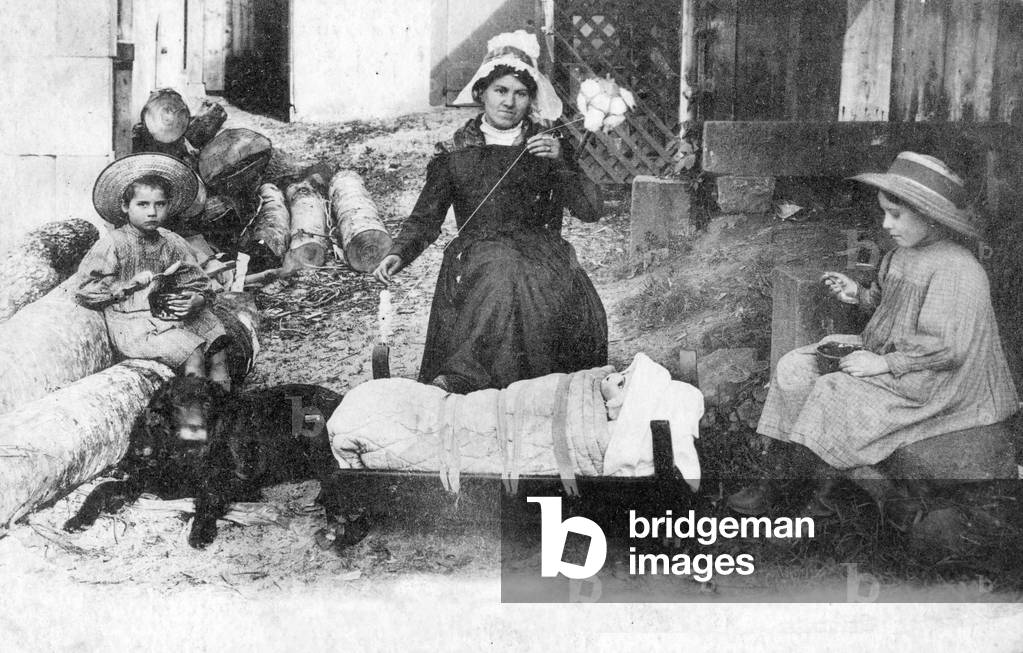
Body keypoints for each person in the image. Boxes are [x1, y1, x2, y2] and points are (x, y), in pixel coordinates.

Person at [728, 152, 1019, 520]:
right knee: (794, 366)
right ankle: (779, 479)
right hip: (898, 359)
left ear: (929, 216)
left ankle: (820, 501)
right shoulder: (901, 255)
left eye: (895, 215)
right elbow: (887, 304)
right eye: (885, 212)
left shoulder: (956, 268)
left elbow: (949, 348)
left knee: (833, 392)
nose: (885, 223)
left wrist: (882, 363)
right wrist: (858, 295)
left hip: (940, 384)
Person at [372, 31, 607, 394]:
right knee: (502, 269)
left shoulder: (549, 145)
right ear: (482, 92)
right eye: (501, 90)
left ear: (531, 99)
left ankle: (543, 391)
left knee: (532, 279)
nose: (509, 102)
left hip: (543, 255)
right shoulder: (455, 151)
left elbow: (591, 209)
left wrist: (561, 163)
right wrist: (398, 253)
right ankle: (465, 377)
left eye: (520, 93)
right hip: (478, 254)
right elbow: (425, 218)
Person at [77, 153, 231, 390]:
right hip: (133, 324)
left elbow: (197, 280)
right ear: (125, 206)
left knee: (218, 349)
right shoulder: (113, 243)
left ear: (168, 206)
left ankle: (225, 412)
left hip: (170, 314)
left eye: (159, 205)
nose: (152, 212)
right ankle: (194, 418)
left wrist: (197, 299)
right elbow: (86, 290)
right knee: (194, 355)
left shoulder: (171, 241)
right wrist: (127, 285)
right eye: (143, 204)